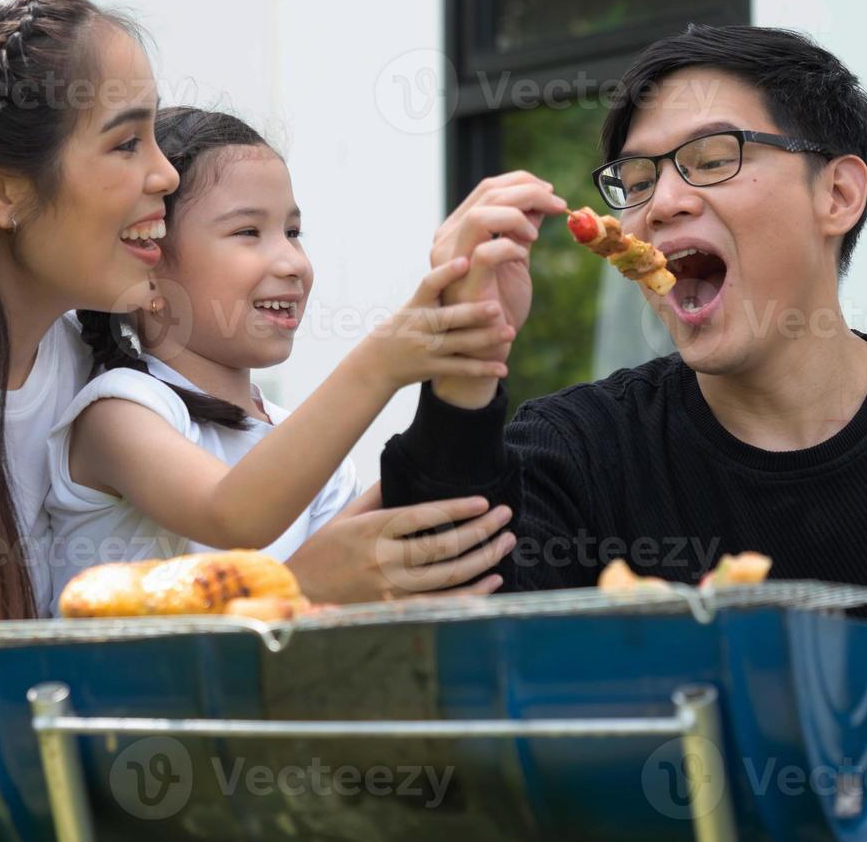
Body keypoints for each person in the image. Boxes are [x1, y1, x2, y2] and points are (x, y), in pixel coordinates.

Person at [0, 0, 510, 839]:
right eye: (125, 143)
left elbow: (296, 512)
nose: (164, 173)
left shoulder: (92, 357)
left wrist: (465, 347)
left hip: (75, 778)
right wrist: (288, 595)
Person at [380, 24, 867, 841]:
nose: (661, 202)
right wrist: (467, 357)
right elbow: (445, 662)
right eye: (634, 179)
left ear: (837, 195)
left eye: (711, 160)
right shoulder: (578, 451)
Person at [46, 107, 517, 607]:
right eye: (248, 232)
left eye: (293, 232)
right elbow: (232, 515)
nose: (294, 263)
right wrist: (381, 363)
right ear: (150, 270)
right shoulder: (119, 412)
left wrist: (473, 332)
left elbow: (348, 585)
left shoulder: (300, 447)